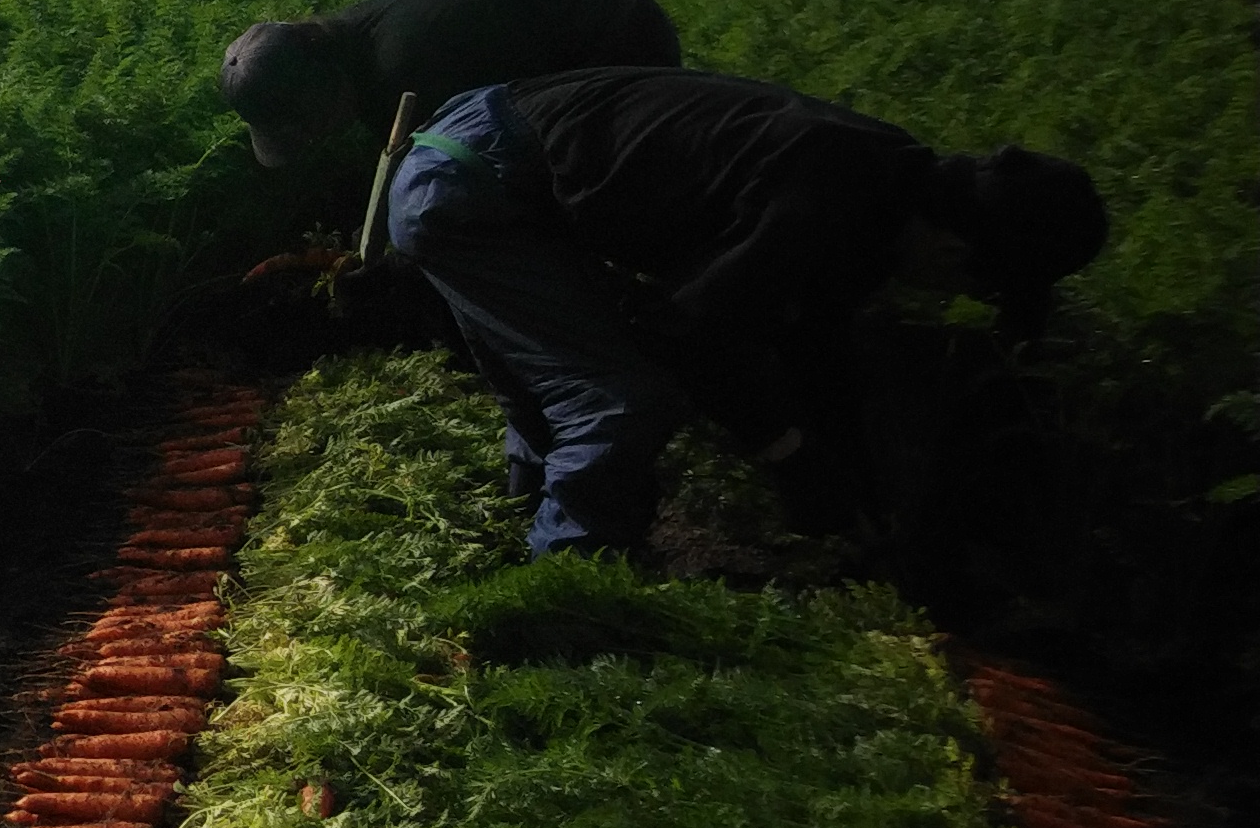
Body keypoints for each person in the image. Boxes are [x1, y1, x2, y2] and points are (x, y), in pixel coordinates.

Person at [381, 66, 1106, 559]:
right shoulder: (834, 194)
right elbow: (690, 331)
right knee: (617, 399)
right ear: (955, 250)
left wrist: (846, 473)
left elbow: (812, 342)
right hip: (471, 184)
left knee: (554, 379)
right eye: (969, 288)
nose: (943, 296)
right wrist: (786, 452)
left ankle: (524, 528)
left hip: (478, 163)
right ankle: (560, 601)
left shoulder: (882, 184)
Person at [218, 0, 681, 175]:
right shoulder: (349, 38)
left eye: (309, 126)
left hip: (621, 42)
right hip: (588, 8)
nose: (318, 137)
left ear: (324, 89)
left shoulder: (403, 74)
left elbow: (477, 172)